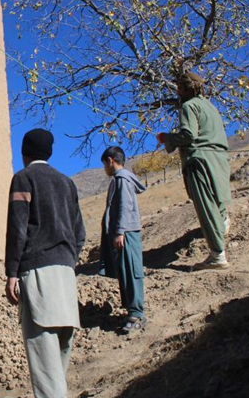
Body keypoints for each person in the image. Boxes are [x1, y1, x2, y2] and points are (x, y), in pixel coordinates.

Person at [5, 128, 86, 398]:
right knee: (61, 352)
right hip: (65, 274)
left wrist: (12, 273)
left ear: (24, 152)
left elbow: (18, 230)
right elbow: (79, 233)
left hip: (37, 272)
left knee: (43, 355)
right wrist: (68, 261)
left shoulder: (24, 179)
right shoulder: (67, 183)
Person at [157, 71, 232, 270]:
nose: (178, 92)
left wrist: (168, 138)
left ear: (183, 89)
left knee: (206, 206)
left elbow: (189, 135)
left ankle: (217, 255)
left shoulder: (188, 107)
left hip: (199, 162)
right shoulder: (211, 107)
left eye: (179, 88)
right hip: (219, 159)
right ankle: (223, 223)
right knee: (218, 200)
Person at [99, 146, 147, 333]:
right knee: (125, 271)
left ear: (111, 160)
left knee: (131, 271)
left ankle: (137, 314)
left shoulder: (123, 180)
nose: (104, 169)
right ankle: (131, 312)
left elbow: (125, 207)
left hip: (126, 233)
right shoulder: (120, 180)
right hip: (123, 233)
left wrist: (120, 231)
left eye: (104, 164)